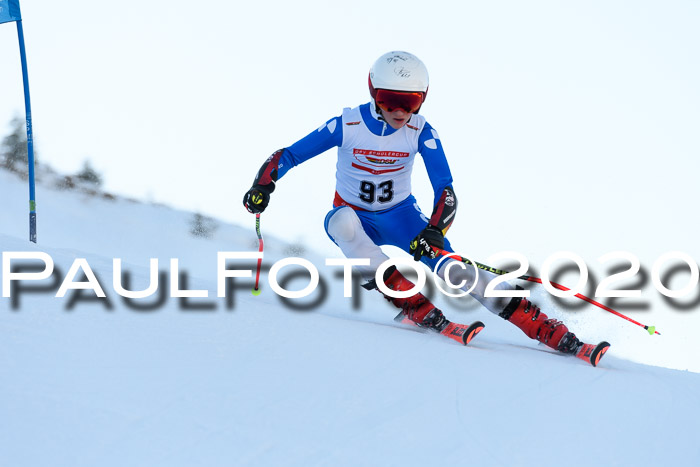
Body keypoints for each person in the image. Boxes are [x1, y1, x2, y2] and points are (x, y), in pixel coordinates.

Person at [243, 51, 587, 356]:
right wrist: (263, 184)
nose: (400, 111)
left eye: (411, 102)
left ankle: (541, 327)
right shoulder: (346, 124)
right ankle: (411, 303)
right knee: (342, 224)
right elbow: (288, 155)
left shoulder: (421, 131)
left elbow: (445, 189)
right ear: (373, 93)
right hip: (355, 217)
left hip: (402, 217)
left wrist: (435, 231)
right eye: (390, 99)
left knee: (454, 270)